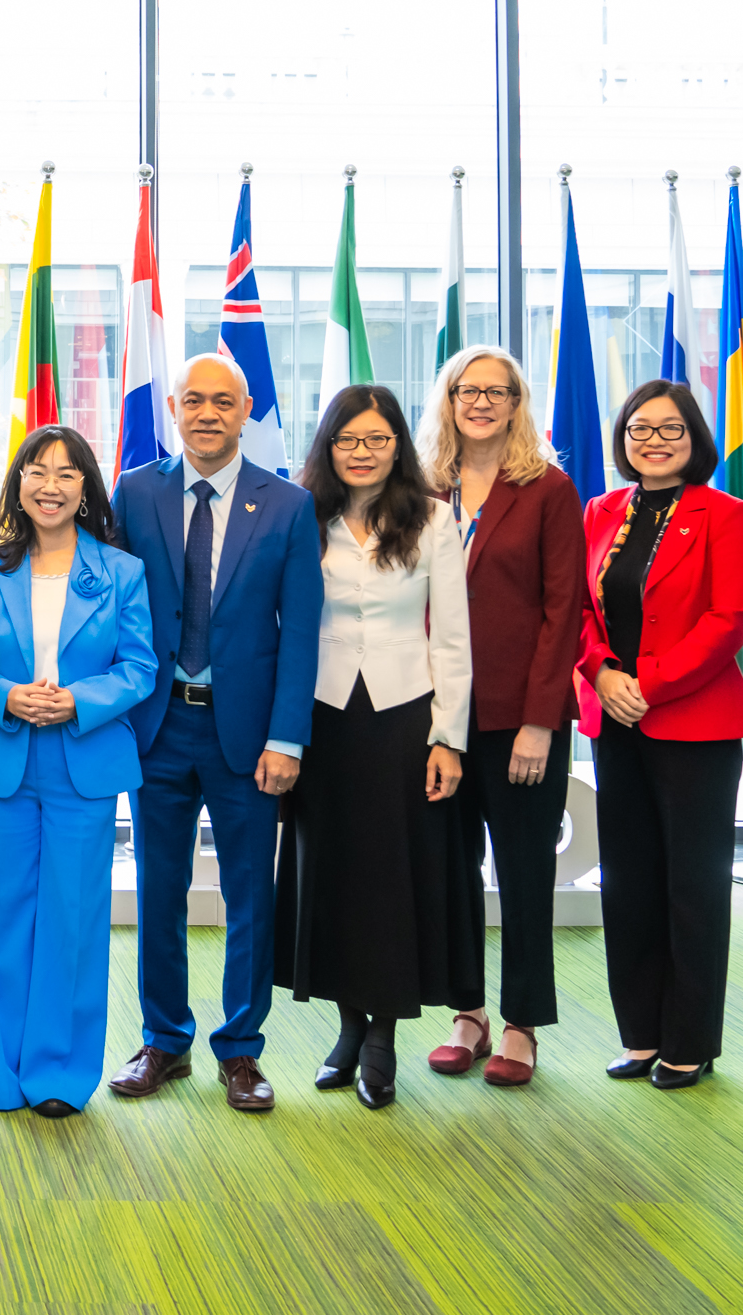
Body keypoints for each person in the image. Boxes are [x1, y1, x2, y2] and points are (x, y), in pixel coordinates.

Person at [108, 352, 320, 1114]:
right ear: (172, 405)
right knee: (157, 892)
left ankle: (240, 1051)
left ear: (246, 409)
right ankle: (164, 1042)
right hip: (156, 730)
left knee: (246, 899)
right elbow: (108, 607)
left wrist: (287, 739)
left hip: (248, 738)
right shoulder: (135, 492)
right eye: (192, 400)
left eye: (221, 402)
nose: (205, 413)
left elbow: (300, 632)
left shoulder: (290, 506)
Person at [274, 383, 473, 1112]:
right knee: (330, 871)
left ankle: (384, 1036)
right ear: (328, 447)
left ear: (399, 446)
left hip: (402, 717)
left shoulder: (433, 519)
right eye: (348, 440)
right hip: (320, 717)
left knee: (392, 876)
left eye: (377, 440)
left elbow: (452, 637)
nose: (362, 453)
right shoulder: (303, 516)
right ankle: (347, 1027)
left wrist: (448, 739)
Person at [0, 424, 156, 1117]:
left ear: (85, 488)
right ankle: (2, 1075)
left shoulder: (121, 572)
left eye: (67, 474)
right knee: (2, 918)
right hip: (4, 765)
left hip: (84, 764)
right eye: (38, 471)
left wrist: (78, 700)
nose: (51, 485)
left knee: (72, 919)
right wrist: (8, 696)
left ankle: (59, 1077)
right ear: (19, 484)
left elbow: (139, 668)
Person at [576, 378, 743, 1091]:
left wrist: (646, 682)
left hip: (694, 724)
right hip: (614, 720)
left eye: (669, 428)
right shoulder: (600, 511)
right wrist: (600, 673)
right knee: (628, 883)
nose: (652, 440)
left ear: (694, 439)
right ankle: (642, 1035)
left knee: (693, 886)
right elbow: (577, 609)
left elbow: (728, 620)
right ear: (622, 439)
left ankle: (690, 1041)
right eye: (638, 428)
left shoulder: (724, 513)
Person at [419, 348, 585, 1087]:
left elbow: (564, 611)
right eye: (468, 389)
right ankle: (468, 1015)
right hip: (433, 720)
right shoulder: (421, 487)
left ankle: (520, 1024)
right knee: (451, 872)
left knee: (522, 873)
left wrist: (540, 721)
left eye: (497, 391)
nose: (481, 402)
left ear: (517, 403)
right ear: (448, 399)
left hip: (520, 719)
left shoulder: (548, 488)